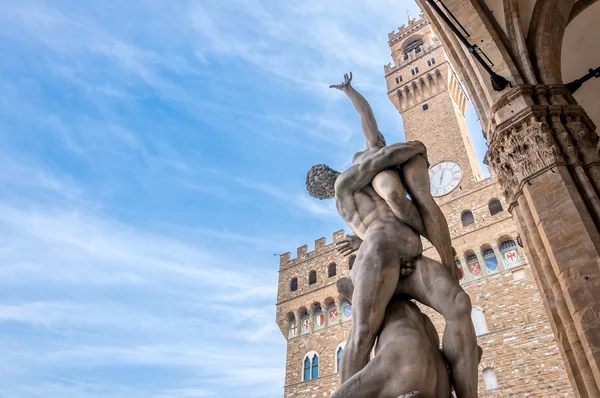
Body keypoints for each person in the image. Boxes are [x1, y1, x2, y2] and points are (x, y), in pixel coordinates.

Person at [305, 75, 478, 398]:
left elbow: (368, 122)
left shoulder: (362, 181)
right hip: (383, 252)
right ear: (328, 180)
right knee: (363, 331)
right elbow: (381, 155)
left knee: (459, 304)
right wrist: (414, 149)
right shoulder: (345, 187)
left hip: (408, 257)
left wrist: (350, 92)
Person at [332, 277, 451, 398]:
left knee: (362, 331)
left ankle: (357, 299)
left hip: (420, 368)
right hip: (411, 359)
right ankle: (357, 299)